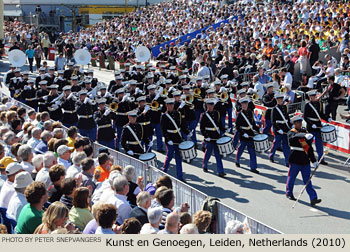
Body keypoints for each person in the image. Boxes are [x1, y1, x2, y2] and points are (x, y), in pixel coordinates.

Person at [286, 115, 321, 206]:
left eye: (301, 122)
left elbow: (308, 148)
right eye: (298, 122)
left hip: (305, 161)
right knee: (292, 178)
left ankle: (313, 198)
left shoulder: (305, 132)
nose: (300, 124)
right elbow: (292, 138)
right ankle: (289, 193)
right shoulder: (291, 132)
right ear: (294, 124)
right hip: (295, 160)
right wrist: (304, 135)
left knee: (308, 180)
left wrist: (314, 161)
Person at [160, 98, 190, 182]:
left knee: (178, 158)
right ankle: (163, 172)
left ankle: (180, 177)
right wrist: (167, 139)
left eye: (172, 105)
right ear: (166, 106)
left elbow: (182, 125)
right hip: (170, 139)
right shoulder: (164, 116)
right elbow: (163, 129)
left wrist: (187, 132)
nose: (170, 106)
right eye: (169, 105)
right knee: (169, 156)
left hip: (178, 139)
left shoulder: (178, 113)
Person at [200, 98, 226, 177]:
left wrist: (224, 130)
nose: (211, 106)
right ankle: (205, 165)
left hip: (216, 136)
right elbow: (202, 128)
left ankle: (220, 171)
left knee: (218, 155)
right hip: (209, 137)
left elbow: (219, 124)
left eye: (212, 105)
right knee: (208, 153)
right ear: (207, 105)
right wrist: (206, 136)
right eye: (209, 105)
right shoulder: (204, 115)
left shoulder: (217, 113)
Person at [304, 90, 330, 165]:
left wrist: (327, 118)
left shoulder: (319, 104)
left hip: (318, 126)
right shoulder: (307, 105)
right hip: (311, 127)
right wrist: (311, 124)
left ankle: (321, 159)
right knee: (309, 143)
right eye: (312, 96)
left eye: (315, 96)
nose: (314, 98)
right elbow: (305, 117)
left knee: (319, 144)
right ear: (310, 97)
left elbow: (321, 114)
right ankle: (306, 156)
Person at [235, 97, 260, 174]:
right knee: (241, 148)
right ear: (241, 105)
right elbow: (237, 126)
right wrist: (243, 133)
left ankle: (253, 167)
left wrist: (258, 130)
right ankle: (237, 160)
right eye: (243, 104)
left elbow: (252, 124)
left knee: (252, 151)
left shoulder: (250, 112)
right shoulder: (240, 114)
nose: (245, 105)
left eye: (246, 104)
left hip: (250, 134)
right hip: (243, 134)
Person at [269, 92, 291, 167]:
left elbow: (287, 118)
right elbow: (273, 121)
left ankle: (287, 161)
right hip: (279, 129)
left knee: (286, 145)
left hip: (285, 128)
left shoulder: (284, 107)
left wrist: (290, 126)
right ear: (276, 100)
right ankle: (271, 155)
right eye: (279, 99)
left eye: (281, 99)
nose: (280, 100)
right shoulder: (274, 109)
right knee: (276, 143)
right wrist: (278, 129)